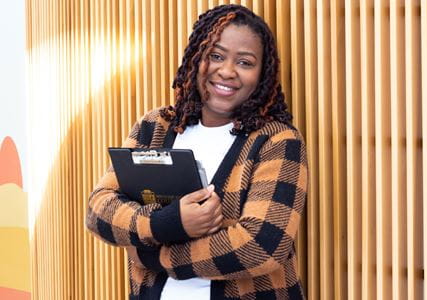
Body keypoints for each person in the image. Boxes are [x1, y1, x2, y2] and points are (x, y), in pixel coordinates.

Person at [85, 4, 307, 300]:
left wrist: (153, 255)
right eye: (216, 56)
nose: (227, 71)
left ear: (262, 74)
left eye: (245, 62)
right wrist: (168, 223)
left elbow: (261, 246)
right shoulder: (156, 127)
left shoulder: (277, 141)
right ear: (196, 58)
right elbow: (100, 209)